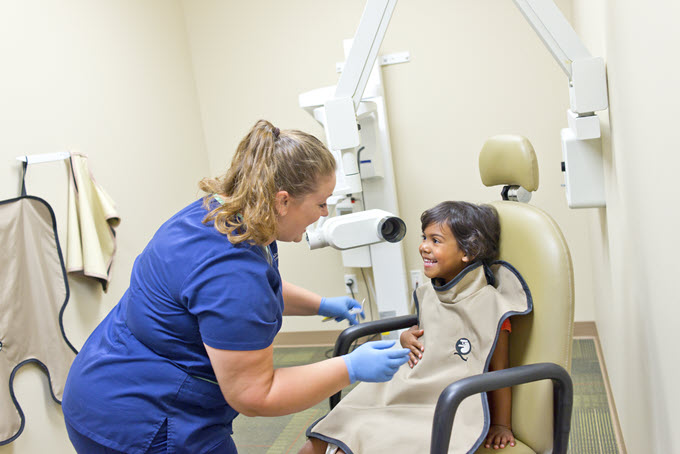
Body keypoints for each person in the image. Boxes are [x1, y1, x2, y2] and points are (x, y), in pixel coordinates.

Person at [61, 119, 410, 454]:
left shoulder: (226, 213)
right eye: (320, 204)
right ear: (283, 200)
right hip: (140, 419)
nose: (324, 215)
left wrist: (321, 304)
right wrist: (349, 367)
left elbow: (252, 288)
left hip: (105, 371)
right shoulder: (232, 270)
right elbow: (255, 394)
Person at [300, 201, 533, 454]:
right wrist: (406, 339)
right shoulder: (430, 292)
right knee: (321, 441)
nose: (423, 246)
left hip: (446, 405)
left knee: (362, 434)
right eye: (424, 237)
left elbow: (499, 371)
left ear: (468, 252)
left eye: (435, 240)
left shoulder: (492, 308)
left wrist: (501, 424)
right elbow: (429, 335)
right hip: (408, 387)